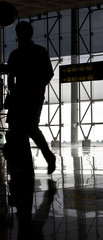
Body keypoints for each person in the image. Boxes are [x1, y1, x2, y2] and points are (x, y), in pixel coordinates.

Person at [5, 21, 56, 177]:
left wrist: (13, 91)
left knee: (22, 129)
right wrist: (37, 86)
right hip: (34, 96)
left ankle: (26, 164)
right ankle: (46, 156)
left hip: (21, 97)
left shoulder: (15, 54)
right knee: (31, 127)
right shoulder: (39, 51)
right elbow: (49, 73)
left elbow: (10, 76)